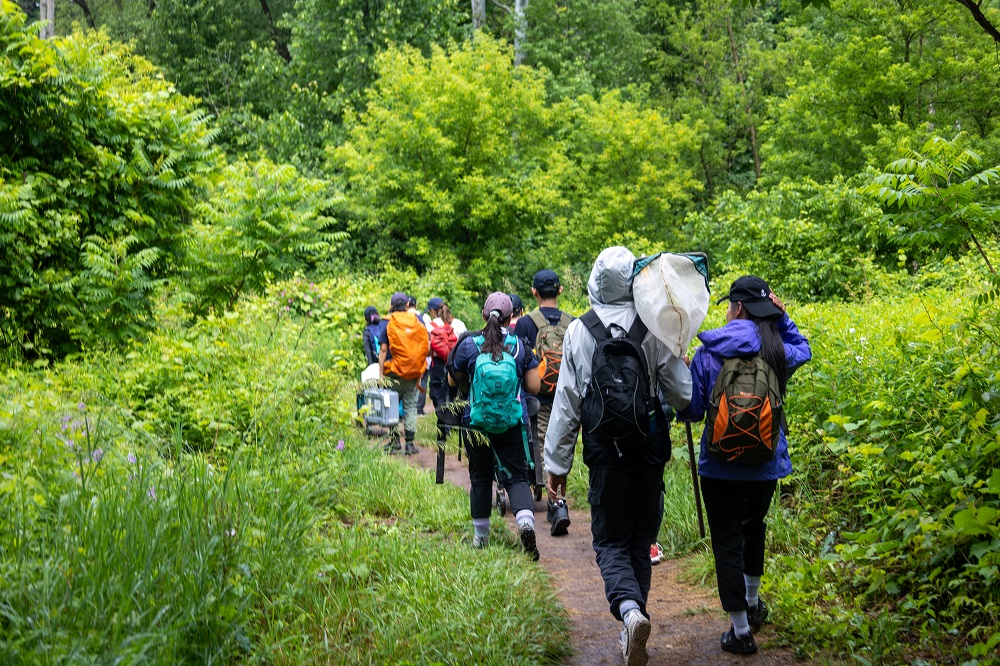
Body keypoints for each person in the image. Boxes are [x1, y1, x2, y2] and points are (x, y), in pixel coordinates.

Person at [544, 247, 692, 666]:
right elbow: (682, 394)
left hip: (604, 450)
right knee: (639, 541)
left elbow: (567, 404)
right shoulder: (652, 324)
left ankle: (629, 614)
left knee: (610, 540)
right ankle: (636, 617)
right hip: (648, 448)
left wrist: (556, 467)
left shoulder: (580, 330)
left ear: (594, 281)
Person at [678, 276, 811, 656]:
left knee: (726, 540)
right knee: (754, 527)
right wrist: (783, 318)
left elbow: (691, 410)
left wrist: (686, 373)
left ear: (736, 308)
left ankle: (740, 630)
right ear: (765, 310)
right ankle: (753, 605)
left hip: (719, 468)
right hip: (765, 465)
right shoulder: (777, 351)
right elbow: (805, 348)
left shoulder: (709, 353)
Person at [449, 292, 541, 559]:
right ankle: (524, 522)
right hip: (512, 422)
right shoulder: (519, 346)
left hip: (475, 423)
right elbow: (534, 386)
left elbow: (453, 382)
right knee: (518, 476)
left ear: (483, 315)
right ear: (511, 316)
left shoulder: (468, 344)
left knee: (479, 478)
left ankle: (481, 538)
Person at [515, 269, 574, 535]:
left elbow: (522, 362)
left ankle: (539, 487)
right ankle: (558, 502)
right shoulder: (572, 323)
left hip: (537, 396)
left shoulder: (526, 323)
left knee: (538, 443)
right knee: (561, 446)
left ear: (534, 292)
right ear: (560, 291)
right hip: (566, 395)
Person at [379, 291, 430, 455]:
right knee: (410, 407)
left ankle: (394, 442)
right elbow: (426, 347)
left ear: (391, 305)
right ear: (407, 305)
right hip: (413, 373)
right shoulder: (417, 320)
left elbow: (383, 349)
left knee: (391, 407)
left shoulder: (387, 322)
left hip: (393, 372)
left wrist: (381, 374)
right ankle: (409, 444)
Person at [426, 298, 466, 445]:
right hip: (455, 364)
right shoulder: (458, 324)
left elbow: (428, 349)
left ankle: (444, 426)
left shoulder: (430, 326)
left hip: (437, 364)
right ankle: (456, 423)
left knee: (438, 395)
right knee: (455, 394)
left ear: (433, 311)